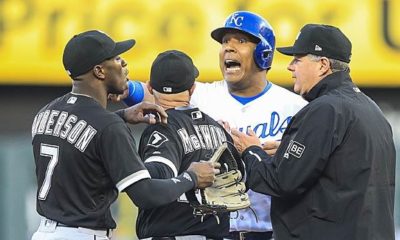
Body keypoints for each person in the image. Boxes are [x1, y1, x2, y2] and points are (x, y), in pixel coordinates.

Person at [117, 11, 307, 239]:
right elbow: (151, 93)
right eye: (225, 41)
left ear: (263, 53)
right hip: (216, 230)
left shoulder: (295, 107)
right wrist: (123, 88)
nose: (229, 47)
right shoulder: (200, 95)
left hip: (270, 230)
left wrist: (288, 155)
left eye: (241, 41)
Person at [31, 30, 219, 240]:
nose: (124, 64)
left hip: (44, 232)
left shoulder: (46, 113)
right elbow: (146, 194)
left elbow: (82, 136)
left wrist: (122, 115)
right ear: (100, 71)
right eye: (117, 58)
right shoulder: (108, 126)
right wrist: (191, 177)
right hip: (83, 234)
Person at [230, 24, 396, 240]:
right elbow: (341, 166)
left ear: (323, 65)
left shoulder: (325, 109)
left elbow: (279, 182)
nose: (290, 67)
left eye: (297, 60)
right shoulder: (369, 107)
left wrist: (251, 151)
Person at [135, 49, 234, 239]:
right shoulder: (219, 130)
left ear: (149, 87)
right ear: (192, 89)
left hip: (170, 233)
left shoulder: (161, 127)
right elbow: (240, 180)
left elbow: (157, 175)